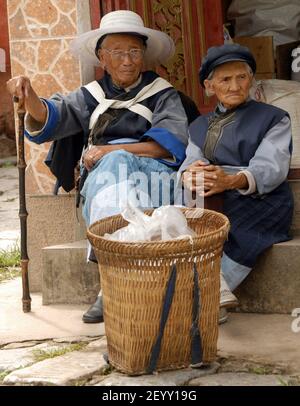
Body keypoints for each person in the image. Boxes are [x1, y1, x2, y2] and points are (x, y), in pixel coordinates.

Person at [7, 10, 192, 323]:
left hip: (155, 174)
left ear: (144, 56)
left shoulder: (161, 94)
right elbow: (51, 117)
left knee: (116, 162)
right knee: (112, 170)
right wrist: (29, 94)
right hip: (106, 181)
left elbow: (167, 145)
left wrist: (111, 150)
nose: (127, 60)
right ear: (102, 58)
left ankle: (116, 288)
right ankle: (117, 282)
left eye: (134, 52)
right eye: (117, 53)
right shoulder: (90, 96)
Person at [180, 44, 294, 323]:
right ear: (209, 86)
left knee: (241, 230)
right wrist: (189, 175)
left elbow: (271, 166)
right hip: (214, 196)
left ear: (251, 80)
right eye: (225, 79)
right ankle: (212, 293)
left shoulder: (273, 118)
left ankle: (207, 296)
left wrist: (231, 180)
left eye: (241, 77)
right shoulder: (198, 127)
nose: (234, 86)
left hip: (260, 197)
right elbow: (188, 164)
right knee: (190, 216)